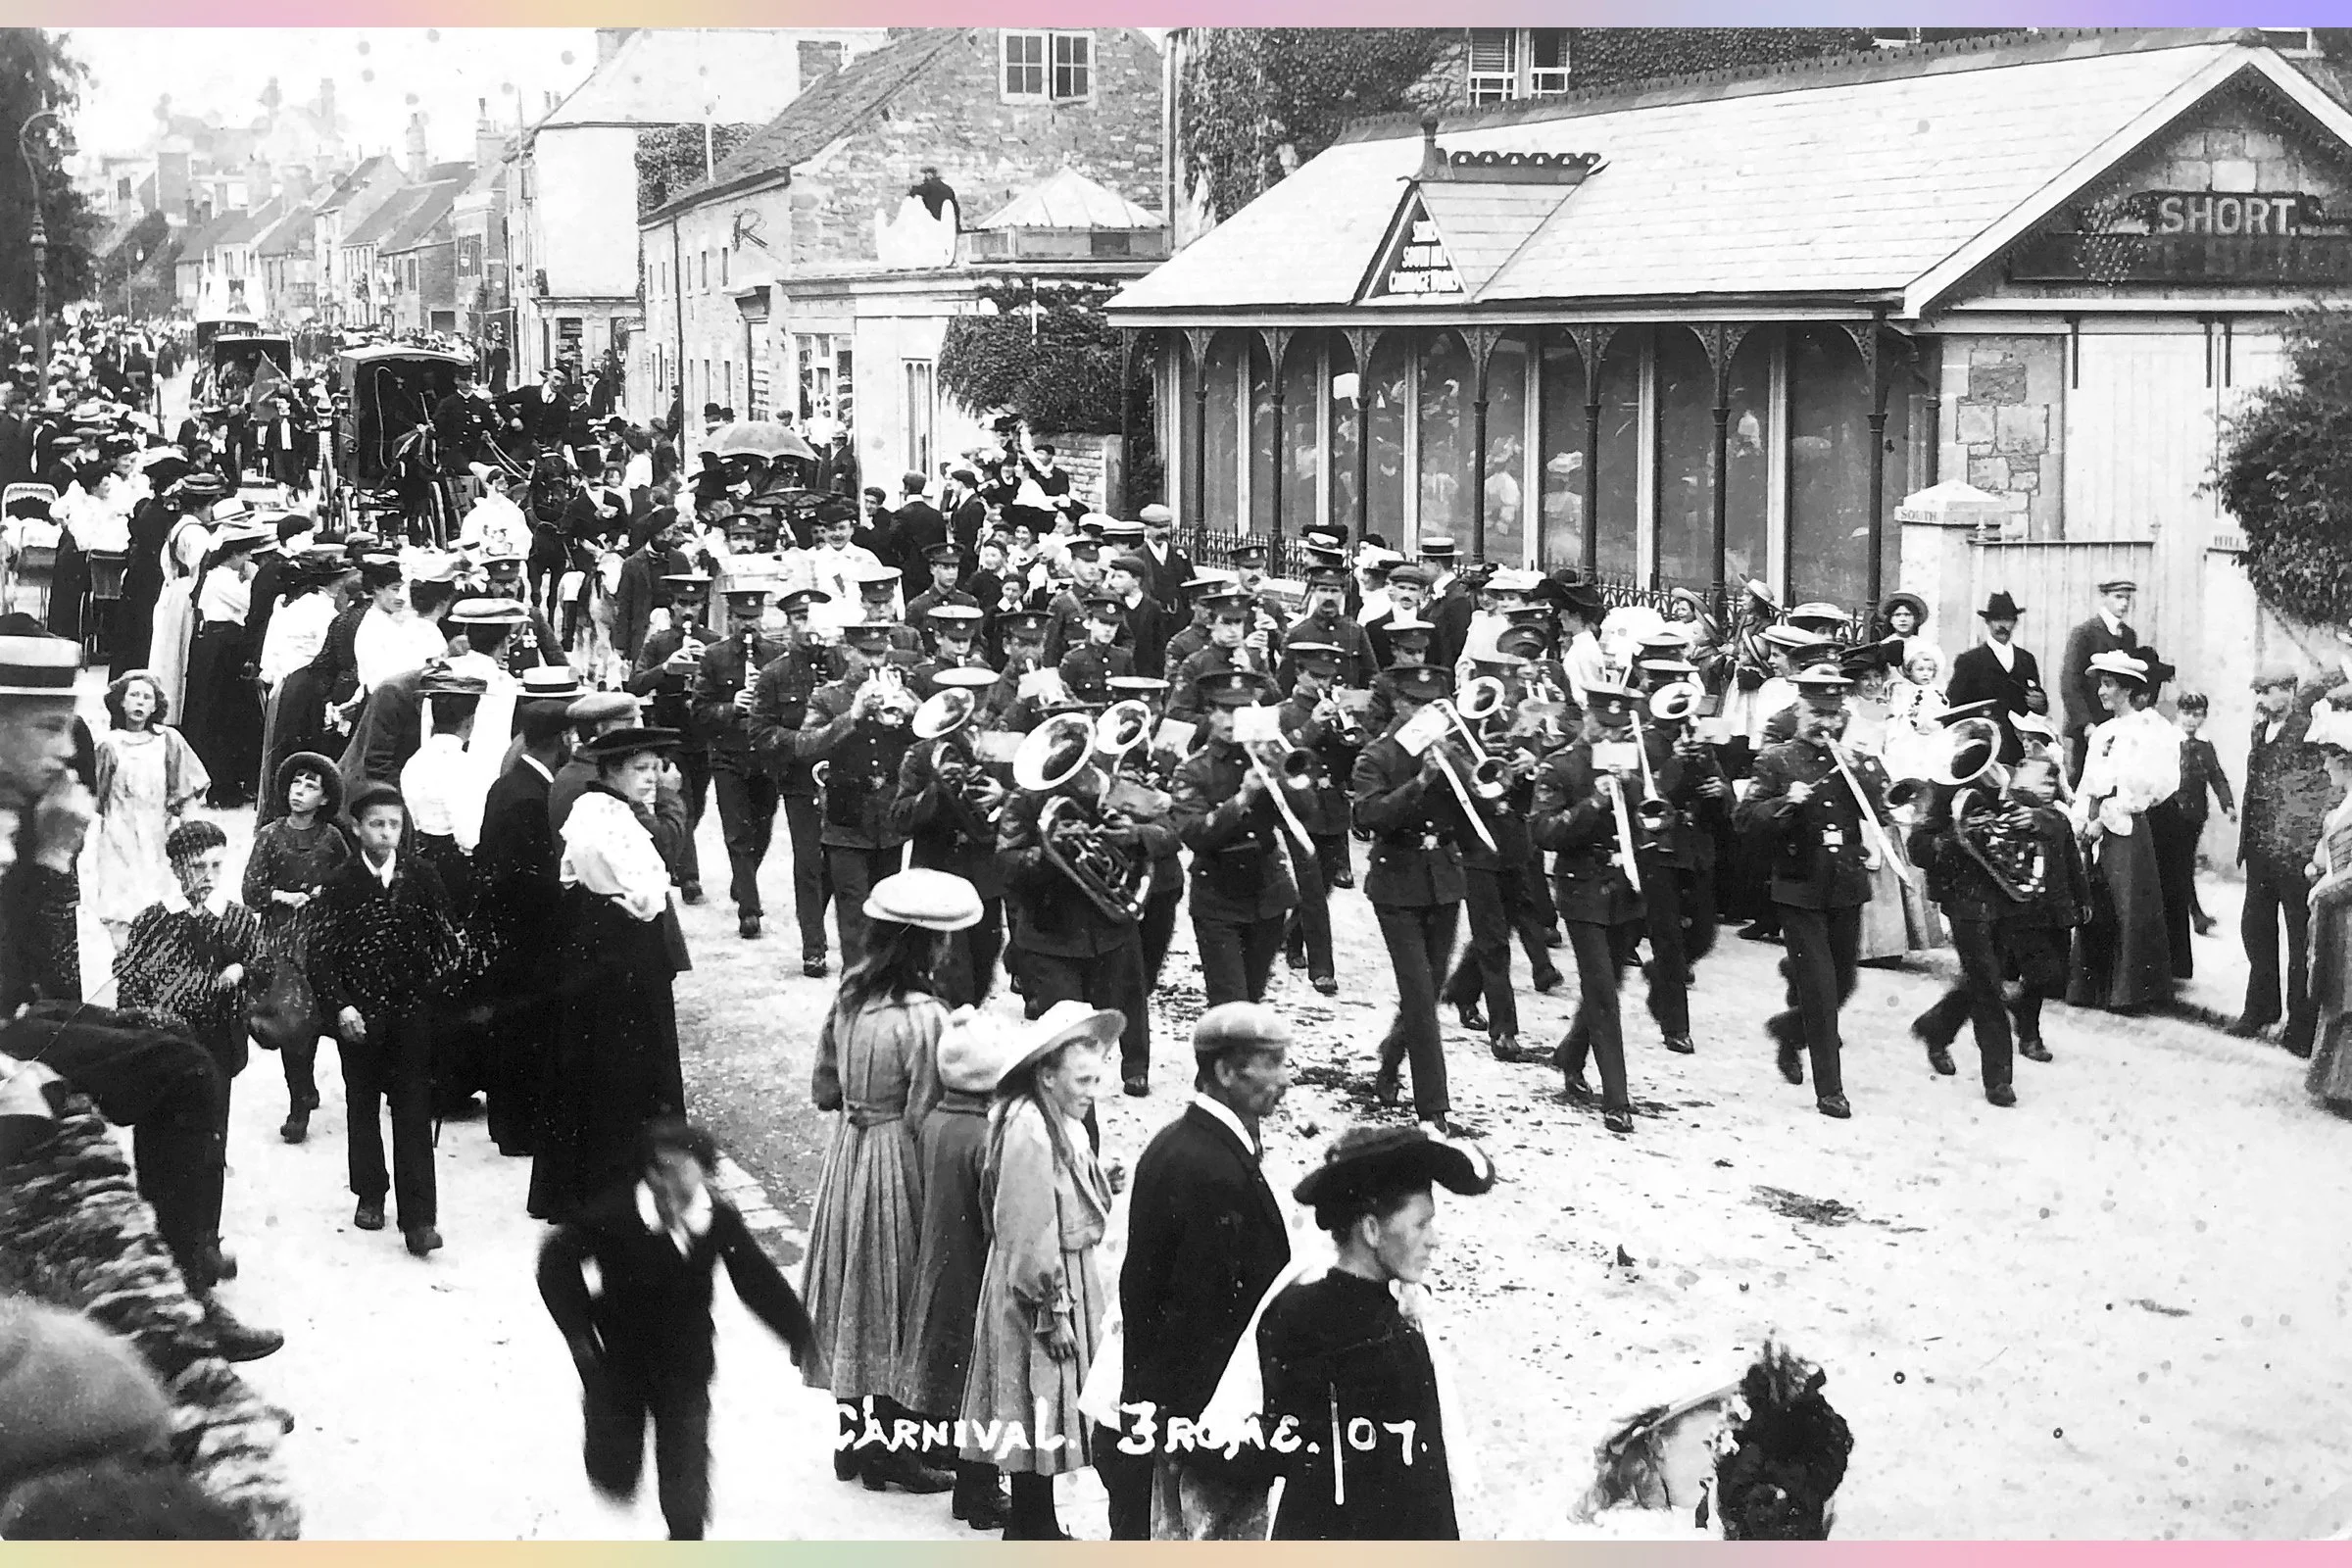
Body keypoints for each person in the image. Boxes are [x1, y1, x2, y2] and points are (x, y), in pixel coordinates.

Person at [537, 1116, 817, 1541]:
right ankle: (613, 1466)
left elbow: (754, 1278)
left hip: (685, 1363)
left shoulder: (716, 1219)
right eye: (665, 1168)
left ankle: (686, 1534)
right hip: (619, 1362)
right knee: (613, 1468)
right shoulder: (616, 1214)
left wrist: (797, 1330)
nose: (679, 1180)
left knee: (685, 1463)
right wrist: (580, 1334)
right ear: (648, 1174)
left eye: (689, 1168)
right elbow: (556, 1261)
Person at [802, 868, 978, 1496]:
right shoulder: (926, 1015)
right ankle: (895, 1450)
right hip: (896, 1159)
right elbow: (927, 1109)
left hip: (848, 1154)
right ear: (925, 945)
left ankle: (852, 1442)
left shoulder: (850, 995)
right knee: (897, 1296)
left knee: (851, 1291)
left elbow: (824, 1087)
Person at [1255, 1125, 1494, 1541]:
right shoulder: (1395, 1340)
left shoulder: (1288, 1310)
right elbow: (1422, 1491)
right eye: (1421, 1225)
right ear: (1370, 1230)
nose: (1433, 1241)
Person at [1117, 1003, 1295, 1542]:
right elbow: (1206, 1310)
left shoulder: (1177, 1142)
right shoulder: (1215, 1169)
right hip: (1209, 1409)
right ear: (1224, 1072)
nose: (1286, 1079)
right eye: (1272, 1064)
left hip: (1171, 1404)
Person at [958, 1002, 1125, 1542]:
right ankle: (1031, 1529)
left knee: (1039, 1400)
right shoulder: (1030, 1129)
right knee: (1038, 1393)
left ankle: (1036, 1521)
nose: (1092, 1090)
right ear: (1047, 1074)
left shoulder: (1058, 1119)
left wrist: (1104, 1182)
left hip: (1057, 1272)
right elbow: (1028, 1227)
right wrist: (1052, 1312)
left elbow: (1063, 1194)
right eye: (1082, 1079)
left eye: (1097, 1077)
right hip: (1040, 1285)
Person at [110, 818, 264, 1288]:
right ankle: (158, 1249)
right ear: (175, 868)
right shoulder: (153, 920)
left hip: (216, 1052)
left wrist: (241, 969)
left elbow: (264, 967)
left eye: (218, 864)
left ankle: (205, 1244)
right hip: (163, 1054)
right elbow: (131, 988)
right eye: (197, 866)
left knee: (209, 1150)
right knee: (156, 1149)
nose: (209, 876)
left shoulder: (237, 919)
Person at [311, 781, 462, 1258]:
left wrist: (433, 994)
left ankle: (419, 1219)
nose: (386, 833)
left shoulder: (421, 877)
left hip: (410, 1014)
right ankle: (370, 1193)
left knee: (413, 1111)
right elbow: (320, 955)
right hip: (358, 1015)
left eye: (395, 824)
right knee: (362, 1104)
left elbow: (446, 941)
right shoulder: (338, 884)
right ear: (356, 828)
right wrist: (341, 1006)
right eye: (376, 824)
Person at [1735, 667, 1890, 1120]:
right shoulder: (1777, 760)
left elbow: (1884, 807)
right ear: (1799, 711)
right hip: (1799, 884)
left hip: (1845, 882)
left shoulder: (1853, 759)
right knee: (1821, 988)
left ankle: (1788, 1031)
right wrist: (1786, 803)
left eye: (1833, 714)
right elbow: (1745, 819)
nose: (1826, 723)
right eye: (1816, 713)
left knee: (1844, 981)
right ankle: (1831, 1089)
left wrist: (1862, 768)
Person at [895, 1010, 1023, 1530]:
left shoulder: (934, 1122)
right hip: (975, 1270)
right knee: (982, 1382)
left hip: (940, 1261)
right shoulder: (985, 1135)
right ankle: (980, 1489)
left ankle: (955, 1465)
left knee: (949, 1372)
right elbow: (997, 1211)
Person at [1350, 662, 1469, 1134]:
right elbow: (1370, 816)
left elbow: (1478, 800)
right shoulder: (1376, 756)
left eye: (1436, 705)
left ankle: (1391, 1057)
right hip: (1396, 880)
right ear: (1399, 705)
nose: (1427, 713)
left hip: (1443, 877)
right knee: (1418, 992)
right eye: (1418, 705)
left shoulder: (1451, 751)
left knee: (1431, 987)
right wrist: (1420, 782)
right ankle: (1433, 1105)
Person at [1170, 673, 1301, 1012]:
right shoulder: (1193, 770)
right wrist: (1242, 798)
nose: (1233, 721)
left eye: (1243, 711)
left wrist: (1281, 774)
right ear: (1210, 713)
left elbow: (1307, 813)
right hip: (1218, 896)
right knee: (1229, 1007)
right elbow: (1195, 834)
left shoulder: (1269, 756)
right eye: (1226, 711)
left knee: (1253, 998)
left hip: (1267, 893)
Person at [241, 750, 351, 1144]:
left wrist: (327, 893)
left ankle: (315, 1086)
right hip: (283, 943)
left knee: (325, 1015)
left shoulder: (332, 839)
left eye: (311, 786)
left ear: (324, 799)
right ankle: (299, 1102)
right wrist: (280, 896)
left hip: (323, 940)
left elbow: (349, 882)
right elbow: (251, 891)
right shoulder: (270, 837)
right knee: (293, 1024)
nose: (300, 792)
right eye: (296, 783)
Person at [2068, 650, 2180, 1014]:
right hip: (2098, 821)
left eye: (2110, 684)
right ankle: (2092, 986)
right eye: (2101, 683)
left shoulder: (2150, 730)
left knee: (2126, 903)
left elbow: (2152, 784)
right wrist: (2083, 819)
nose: (2102, 691)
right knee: (2095, 901)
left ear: (2129, 689)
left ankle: (2129, 991)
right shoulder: (2103, 732)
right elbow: (2088, 781)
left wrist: (2108, 817)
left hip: (2125, 825)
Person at [2232, 663, 2334, 1051]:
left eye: (2270, 690)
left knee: (2298, 940)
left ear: (2290, 691)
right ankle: (2259, 1009)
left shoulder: (2308, 732)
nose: (2262, 699)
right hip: (2259, 849)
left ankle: (2301, 1027)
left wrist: (2306, 846)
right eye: (2258, 691)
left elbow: (2312, 793)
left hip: (2291, 852)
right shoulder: (2260, 731)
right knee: (2255, 930)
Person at [691, 585, 791, 940]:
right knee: (737, 831)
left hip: (765, 756)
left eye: (754, 618)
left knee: (763, 827)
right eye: (741, 618)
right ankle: (749, 909)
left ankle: (743, 878)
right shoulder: (714, 656)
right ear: (729, 618)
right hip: (728, 754)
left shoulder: (779, 655)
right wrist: (733, 707)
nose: (748, 625)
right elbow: (699, 710)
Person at [83, 671, 210, 949]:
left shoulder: (169, 741)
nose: (140, 702)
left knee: (159, 907)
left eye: (146, 697)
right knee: (120, 912)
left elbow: (186, 794)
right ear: (121, 703)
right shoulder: (108, 745)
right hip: (118, 839)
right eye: (133, 695)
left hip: (157, 839)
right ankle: (128, 971)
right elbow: (96, 798)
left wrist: (193, 839)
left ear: (155, 706)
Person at [1943, 591, 2047, 765]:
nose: (2002, 625)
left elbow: (2037, 703)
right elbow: (1955, 709)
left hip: (2020, 746)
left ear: (2015, 623)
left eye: (2008, 620)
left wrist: (2040, 703)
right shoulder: (1969, 660)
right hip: (1984, 747)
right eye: (1997, 620)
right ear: (1987, 622)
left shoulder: (2026, 659)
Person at [2168, 692, 2234, 939]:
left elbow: (2216, 775)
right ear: (2178, 713)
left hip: (2194, 814)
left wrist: (2227, 804)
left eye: (2197, 715)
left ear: (2204, 717)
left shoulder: (2205, 746)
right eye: (2186, 714)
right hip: (2169, 812)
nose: (2191, 720)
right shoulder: (2169, 740)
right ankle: (2193, 914)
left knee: (2184, 865)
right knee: (2177, 866)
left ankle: (2194, 914)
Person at [2059, 579, 2139, 782]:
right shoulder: (2084, 633)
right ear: (2104, 597)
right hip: (2090, 727)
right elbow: (2070, 683)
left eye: (2128, 598)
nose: (2124, 604)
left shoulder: (2128, 635)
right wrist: (2086, 724)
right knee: (2087, 782)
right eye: (2118, 597)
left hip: (2118, 725)